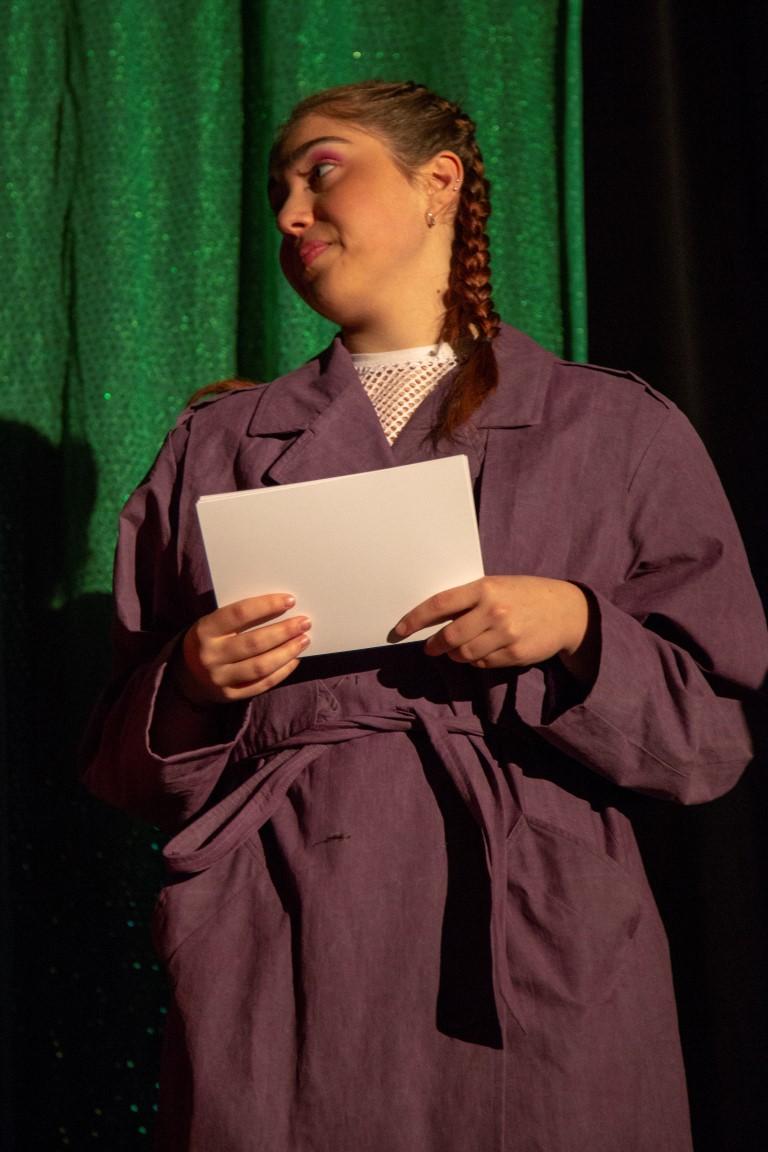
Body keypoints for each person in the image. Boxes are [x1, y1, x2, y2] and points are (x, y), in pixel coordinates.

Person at [82, 81, 766, 1152]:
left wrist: (580, 628)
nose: (290, 214)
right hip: (282, 936)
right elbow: (123, 763)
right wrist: (194, 682)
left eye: (322, 171)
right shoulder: (214, 447)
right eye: (277, 192)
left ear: (437, 181)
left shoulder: (615, 429)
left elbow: (708, 741)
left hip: (531, 939)